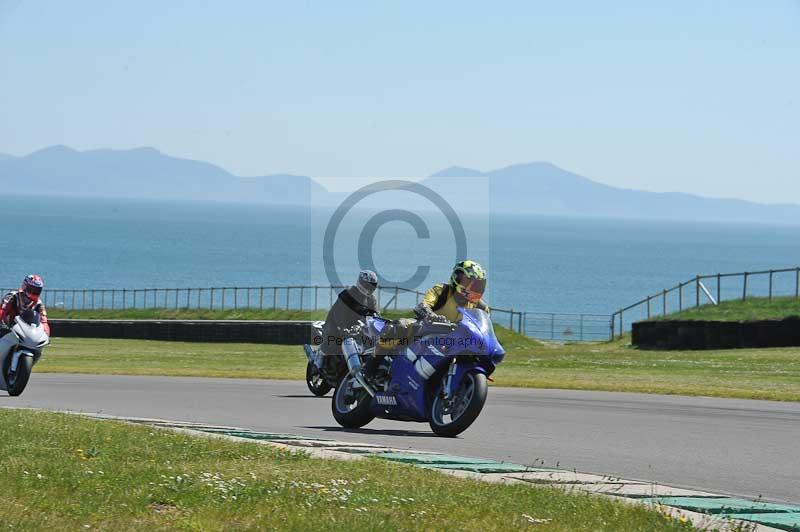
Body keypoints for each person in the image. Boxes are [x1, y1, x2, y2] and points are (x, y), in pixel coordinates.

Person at [317, 270, 379, 364]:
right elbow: (339, 315)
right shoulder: (348, 294)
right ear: (361, 283)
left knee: (370, 344)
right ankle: (319, 359)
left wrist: (381, 326)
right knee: (333, 340)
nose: (369, 288)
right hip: (336, 325)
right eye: (368, 285)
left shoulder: (371, 300)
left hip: (358, 329)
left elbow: (375, 317)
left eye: (372, 285)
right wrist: (343, 328)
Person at [414, 260, 490, 323]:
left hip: (460, 340)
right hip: (429, 336)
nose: (474, 288)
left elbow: (484, 327)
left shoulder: (480, 306)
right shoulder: (441, 291)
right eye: (469, 283)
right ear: (457, 279)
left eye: (477, 285)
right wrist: (432, 317)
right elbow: (421, 307)